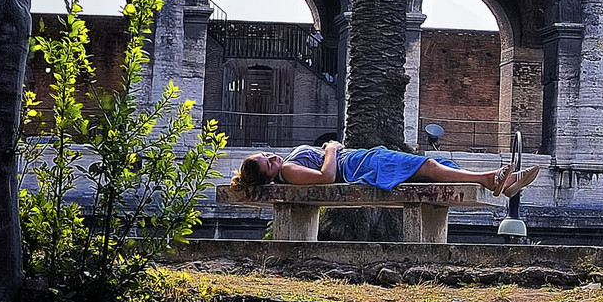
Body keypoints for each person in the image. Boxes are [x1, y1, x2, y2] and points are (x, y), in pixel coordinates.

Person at [232, 140, 541, 196]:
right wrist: (331, 149)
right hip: (359, 165)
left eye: (267, 155)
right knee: (429, 165)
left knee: (434, 165)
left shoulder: (285, 165)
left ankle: (508, 182)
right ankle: (490, 179)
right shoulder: (287, 171)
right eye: (267, 163)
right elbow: (326, 178)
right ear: (268, 175)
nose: (273, 158)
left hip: (361, 159)